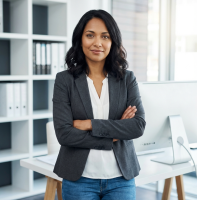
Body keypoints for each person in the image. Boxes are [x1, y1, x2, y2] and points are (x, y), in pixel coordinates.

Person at [52, 9, 146, 200]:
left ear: (113, 42)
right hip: (79, 180)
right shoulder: (64, 81)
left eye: (105, 36)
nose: (97, 43)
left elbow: (137, 126)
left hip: (121, 179)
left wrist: (90, 124)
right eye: (90, 35)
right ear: (80, 39)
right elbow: (65, 134)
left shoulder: (127, 79)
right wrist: (113, 135)